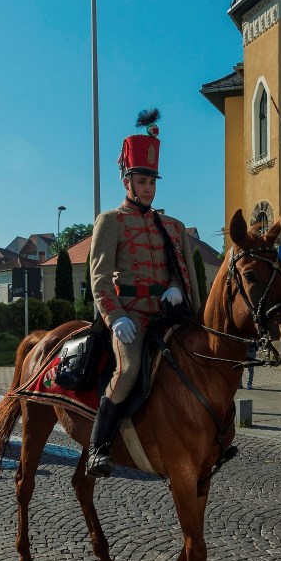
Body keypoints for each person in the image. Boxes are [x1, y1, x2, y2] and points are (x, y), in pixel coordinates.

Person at [85, 109, 198, 478]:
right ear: (127, 181)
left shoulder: (168, 225)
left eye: (152, 181)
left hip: (164, 313)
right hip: (129, 314)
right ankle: (99, 447)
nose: (148, 187)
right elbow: (99, 276)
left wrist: (178, 289)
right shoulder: (111, 222)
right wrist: (114, 316)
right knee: (130, 368)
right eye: (142, 180)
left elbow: (177, 268)